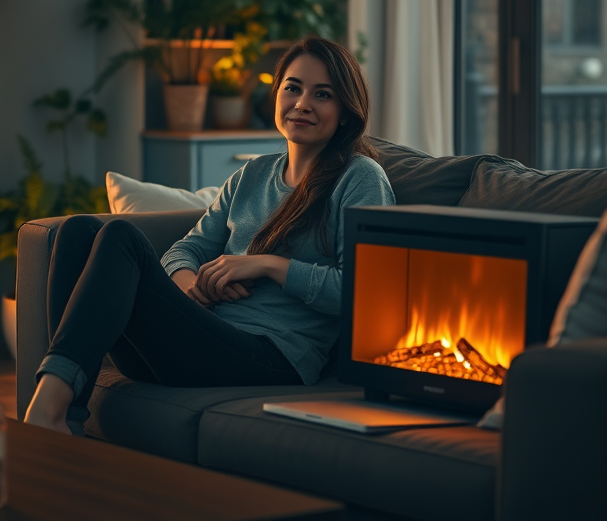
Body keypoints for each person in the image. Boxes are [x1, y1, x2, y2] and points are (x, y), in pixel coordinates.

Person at [24, 35, 395, 434]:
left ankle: (43, 419)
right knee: (79, 230)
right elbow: (186, 249)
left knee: (121, 236)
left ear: (344, 111)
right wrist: (189, 285)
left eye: (322, 94)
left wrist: (269, 265)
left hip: (270, 356)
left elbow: (365, 294)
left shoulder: (359, 178)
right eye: (293, 88)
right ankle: (64, 417)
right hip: (200, 337)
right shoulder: (252, 174)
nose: (303, 103)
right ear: (276, 95)